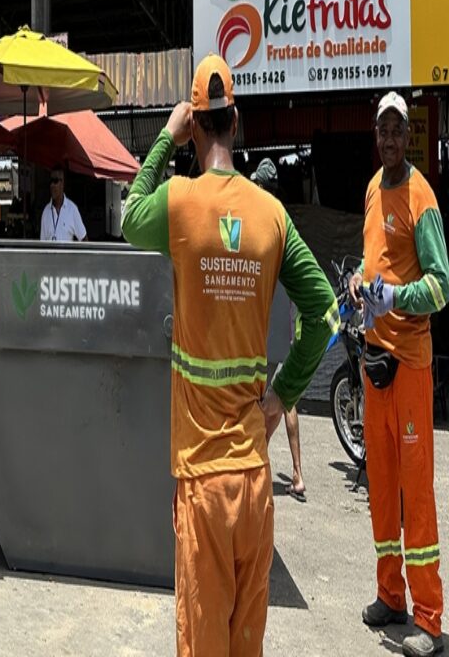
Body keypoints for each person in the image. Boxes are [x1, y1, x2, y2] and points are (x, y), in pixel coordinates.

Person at [122, 54, 337, 657]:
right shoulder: (272, 215)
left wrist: (166, 137)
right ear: (236, 122)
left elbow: (128, 214)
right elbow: (325, 314)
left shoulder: (181, 203)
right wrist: (281, 397)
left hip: (202, 483)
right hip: (255, 483)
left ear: (198, 126)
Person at [349, 91, 447, 657]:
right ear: (375, 134)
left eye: (396, 131)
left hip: (409, 363)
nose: (388, 139)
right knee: (381, 486)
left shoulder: (421, 197)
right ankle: (391, 593)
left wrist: (397, 296)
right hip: (373, 360)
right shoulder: (370, 189)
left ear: (406, 135)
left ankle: (431, 620)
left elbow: (442, 284)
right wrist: (364, 287)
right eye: (381, 130)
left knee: (417, 490)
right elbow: (371, 261)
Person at [251, 157, 307, 501]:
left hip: (266, 328)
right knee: (285, 400)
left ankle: (257, 469)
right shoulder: (284, 222)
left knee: (262, 406)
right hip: (283, 324)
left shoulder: (264, 220)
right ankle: (297, 474)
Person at [40, 165, 87, 242]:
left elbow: (84, 239)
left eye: (55, 181)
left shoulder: (72, 210)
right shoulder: (46, 212)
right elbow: (42, 245)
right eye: (50, 181)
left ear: (62, 183)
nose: (52, 185)